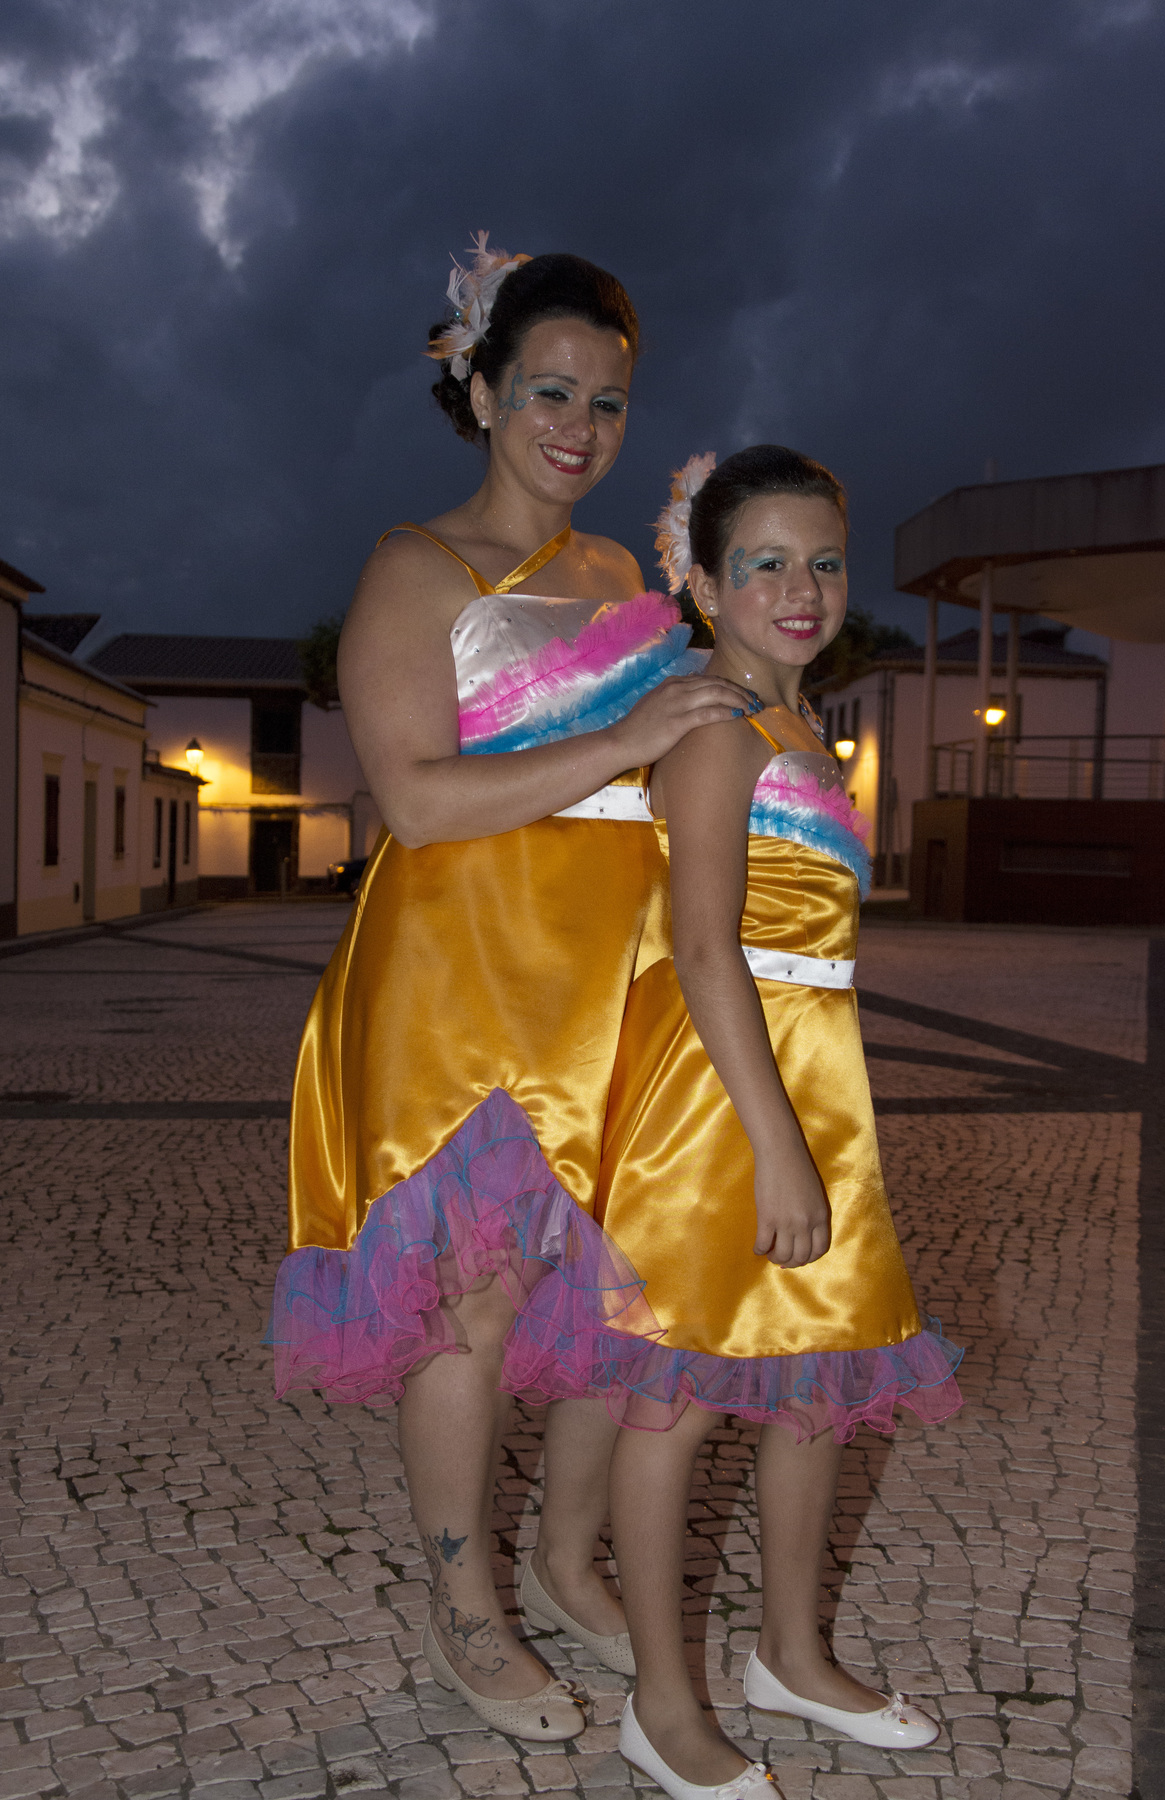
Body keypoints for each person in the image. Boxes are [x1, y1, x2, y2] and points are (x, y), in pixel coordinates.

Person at [267, 241, 750, 1743]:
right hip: (460, 977)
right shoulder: (415, 567)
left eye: (608, 402)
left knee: (623, 1285)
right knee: (470, 1300)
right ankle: (464, 1603)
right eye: (549, 391)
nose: (580, 428)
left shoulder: (620, 577)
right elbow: (415, 802)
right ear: (479, 393)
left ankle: (564, 1557)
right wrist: (627, 741)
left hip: (607, 980)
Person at [574, 447, 964, 1798]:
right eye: (766, 564)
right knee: (676, 1395)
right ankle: (659, 1703)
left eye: (825, 562)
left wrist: (819, 1124)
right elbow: (701, 948)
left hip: (814, 1083)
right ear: (702, 584)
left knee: (820, 1377)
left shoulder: (801, 729)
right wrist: (779, 1144)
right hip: (721, 1102)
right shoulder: (715, 729)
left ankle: (792, 1656)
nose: (803, 589)